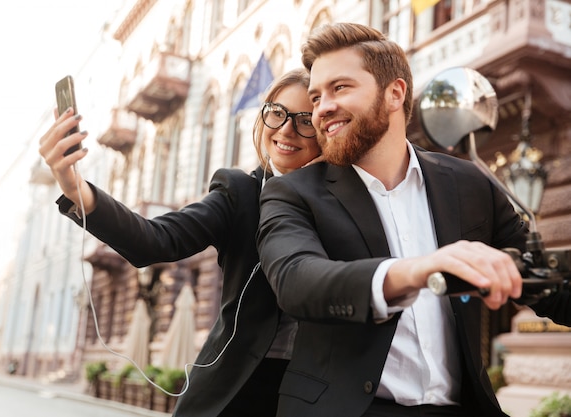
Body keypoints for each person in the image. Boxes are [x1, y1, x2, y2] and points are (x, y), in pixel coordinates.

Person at [256, 23, 571, 417]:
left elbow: (546, 283)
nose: (322, 108)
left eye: (340, 88)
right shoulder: (292, 192)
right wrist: (418, 270)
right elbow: (298, 281)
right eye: (316, 97)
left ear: (394, 93)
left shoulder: (471, 182)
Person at [38, 68, 321, 417]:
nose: (286, 129)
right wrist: (74, 187)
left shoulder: (345, 200)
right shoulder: (240, 194)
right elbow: (155, 240)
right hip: (233, 392)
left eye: (305, 119)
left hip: (314, 392)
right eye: (277, 113)